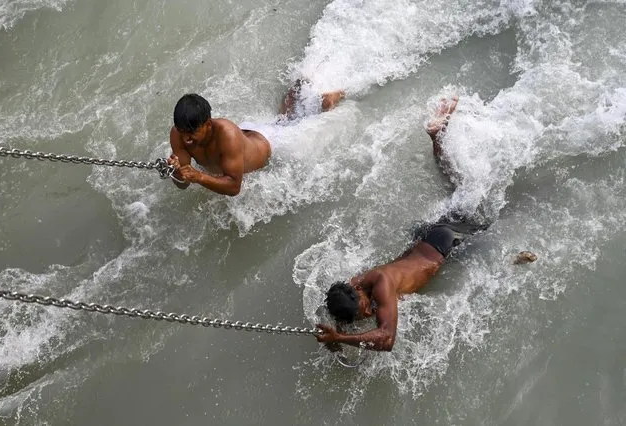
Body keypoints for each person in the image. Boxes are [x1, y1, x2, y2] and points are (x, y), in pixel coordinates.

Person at [315, 96, 487, 352]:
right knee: (458, 195)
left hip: (444, 242)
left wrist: (340, 339)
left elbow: (387, 340)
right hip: (423, 242)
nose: (365, 314)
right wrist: (336, 335)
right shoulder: (353, 287)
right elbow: (348, 314)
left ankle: (438, 138)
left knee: (477, 205)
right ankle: (438, 137)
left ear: (359, 295)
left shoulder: (382, 284)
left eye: (362, 310)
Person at [167, 81, 345, 196]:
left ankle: (329, 99)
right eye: (182, 131)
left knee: (297, 122)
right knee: (283, 118)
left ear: (208, 124)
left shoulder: (226, 135)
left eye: (191, 132)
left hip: (269, 143)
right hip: (248, 133)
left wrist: (200, 177)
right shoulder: (178, 134)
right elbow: (183, 183)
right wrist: (175, 171)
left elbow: (234, 186)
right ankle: (299, 87)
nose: (186, 138)